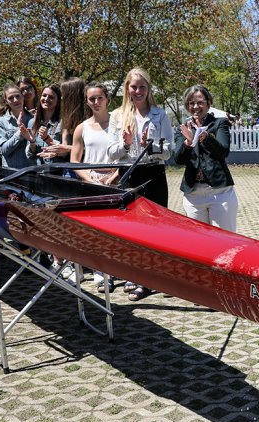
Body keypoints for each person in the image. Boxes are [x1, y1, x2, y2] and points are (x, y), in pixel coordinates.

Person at [108, 67, 172, 301]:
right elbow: (111, 153)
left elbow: (168, 151)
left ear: (148, 88)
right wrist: (125, 145)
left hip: (153, 174)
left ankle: (151, 277)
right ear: (127, 88)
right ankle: (135, 275)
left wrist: (150, 146)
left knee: (155, 228)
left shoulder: (160, 114)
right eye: (133, 87)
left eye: (142, 87)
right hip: (129, 174)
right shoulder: (117, 115)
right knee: (132, 229)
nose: (137, 91)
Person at [71, 81, 118, 289]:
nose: (96, 102)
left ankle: (117, 269)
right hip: (91, 184)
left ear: (107, 98)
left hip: (116, 182)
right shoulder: (82, 128)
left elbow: (129, 153)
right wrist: (88, 178)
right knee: (96, 231)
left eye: (100, 97)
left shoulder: (119, 124)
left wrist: (115, 175)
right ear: (87, 101)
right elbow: (74, 160)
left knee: (115, 231)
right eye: (92, 99)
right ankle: (100, 271)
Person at [175, 85, 238, 232]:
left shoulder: (219, 123)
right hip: (193, 194)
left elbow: (223, 151)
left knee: (224, 239)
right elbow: (178, 159)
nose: (195, 106)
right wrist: (188, 143)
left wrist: (205, 137)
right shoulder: (183, 128)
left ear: (208, 103)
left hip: (219, 193)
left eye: (200, 102)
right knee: (198, 241)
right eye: (191, 103)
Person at [0, 83, 35, 168]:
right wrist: (20, 133)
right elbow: (3, 150)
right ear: (6, 101)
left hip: (33, 172)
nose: (15, 100)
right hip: (12, 173)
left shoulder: (33, 119)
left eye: (17, 96)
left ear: (23, 96)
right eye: (10, 98)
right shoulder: (0, 122)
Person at [26, 83, 62, 165]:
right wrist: (32, 142)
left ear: (58, 101)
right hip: (37, 171)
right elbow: (30, 155)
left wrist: (47, 139)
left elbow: (65, 151)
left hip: (56, 172)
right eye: (44, 95)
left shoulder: (62, 122)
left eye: (51, 97)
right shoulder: (32, 122)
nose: (46, 99)